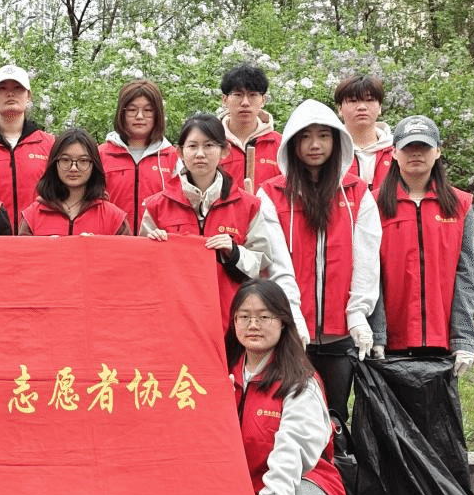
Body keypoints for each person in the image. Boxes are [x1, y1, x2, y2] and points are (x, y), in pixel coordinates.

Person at [190, 279, 346, 495]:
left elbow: (292, 449)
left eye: (264, 316)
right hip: (245, 489)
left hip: (303, 483)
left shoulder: (300, 381)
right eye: (244, 316)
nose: (253, 325)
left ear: (283, 322)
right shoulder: (219, 376)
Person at [258, 99, 381, 425]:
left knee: (334, 416)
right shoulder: (270, 194)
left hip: (340, 334)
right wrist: (293, 314)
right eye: (305, 137)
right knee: (289, 416)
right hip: (290, 331)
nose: (315, 145)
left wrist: (358, 313)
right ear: (292, 143)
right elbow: (276, 262)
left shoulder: (357, 194)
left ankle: (336, 459)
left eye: (323, 136)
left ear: (337, 140)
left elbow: (367, 260)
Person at [140, 113, 305, 332]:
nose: (200, 154)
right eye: (192, 146)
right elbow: (143, 269)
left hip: (230, 320)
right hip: (173, 320)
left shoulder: (248, 205)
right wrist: (152, 245)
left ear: (224, 151)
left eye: (209, 146)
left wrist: (234, 252)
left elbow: (261, 261)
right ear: (179, 152)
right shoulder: (157, 206)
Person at [371, 115, 474, 374]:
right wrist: (376, 334)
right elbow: (369, 274)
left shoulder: (460, 205)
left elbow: (466, 275)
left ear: (438, 151)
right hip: (389, 341)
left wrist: (463, 340)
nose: (416, 153)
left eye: (424, 146)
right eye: (408, 147)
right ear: (393, 152)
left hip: (441, 339)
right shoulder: (373, 204)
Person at [0, 64, 54, 229]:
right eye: (2, 88)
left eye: (18, 88)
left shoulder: (51, 145)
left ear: (28, 95)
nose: (10, 93)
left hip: (39, 237)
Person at [98, 80, 180, 232]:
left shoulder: (173, 157)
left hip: (157, 241)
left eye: (148, 110)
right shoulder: (101, 155)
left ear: (157, 114)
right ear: (121, 113)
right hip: (111, 240)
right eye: (132, 110)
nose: (140, 116)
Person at [18, 129, 130, 236]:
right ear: (54, 164)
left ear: (94, 165)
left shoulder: (115, 218)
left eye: (83, 161)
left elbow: (126, 250)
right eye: (65, 160)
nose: (73, 168)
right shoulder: (32, 216)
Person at [217, 62, 281, 193]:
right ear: (224, 99)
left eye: (252, 95)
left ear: (263, 100)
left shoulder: (280, 145)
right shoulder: (212, 142)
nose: (245, 102)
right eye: (238, 94)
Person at [334, 74, 394, 189]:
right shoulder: (330, 151)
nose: (362, 107)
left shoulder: (397, 150)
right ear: (339, 109)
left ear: (380, 107)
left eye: (369, 100)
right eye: (353, 101)